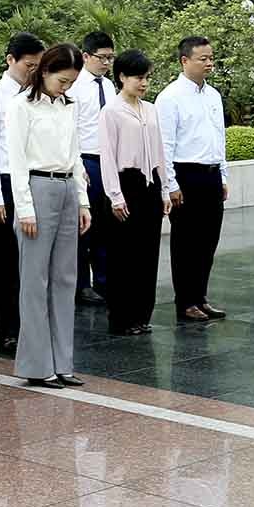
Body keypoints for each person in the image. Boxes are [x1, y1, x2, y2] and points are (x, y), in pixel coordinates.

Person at [6, 43, 93, 389]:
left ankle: (63, 362)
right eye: (62, 81)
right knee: (34, 280)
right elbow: (16, 161)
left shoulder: (68, 106)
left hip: (68, 187)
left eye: (71, 82)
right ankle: (38, 365)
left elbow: (76, 155)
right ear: (44, 72)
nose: (65, 87)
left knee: (65, 278)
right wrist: (24, 208)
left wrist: (83, 201)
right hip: (37, 188)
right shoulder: (21, 106)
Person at [0, 32, 45, 358]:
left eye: (37, 66)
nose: (33, 71)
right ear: (10, 60)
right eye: (29, 65)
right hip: (4, 181)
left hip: (32, 180)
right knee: (7, 259)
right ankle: (7, 328)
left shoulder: (38, 95)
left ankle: (30, 325)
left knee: (32, 258)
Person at [99, 49, 172, 336]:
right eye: (138, 77)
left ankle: (142, 315)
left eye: (146, 78)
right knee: (123, 255)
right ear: (122, 77)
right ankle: (121, 317)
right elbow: (107, 156)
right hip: (125, 183)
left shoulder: (150, 109)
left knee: (147, 253)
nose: (143, 83)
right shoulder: (111, 111)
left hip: (150, 183)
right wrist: (115, 196)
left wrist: (165, 188)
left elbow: (160, 152)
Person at [158, 36, 228, 324]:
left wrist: (223, 174)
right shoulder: (170, 97)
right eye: (203, 58)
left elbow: (219, 138)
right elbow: (165, 145)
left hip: (211, 174)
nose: (209, 63)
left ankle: (200, 297)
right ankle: (185, 301)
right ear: (184, 60)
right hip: (186, 175)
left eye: (211, 58)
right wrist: (171, 184)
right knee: (186, 243)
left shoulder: (213, 95)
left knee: (208, 241)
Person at [73, 32, 117, 309]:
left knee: (105, 224)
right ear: (86, 56)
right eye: (102, 57)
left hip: (108, 161)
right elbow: (71, 128)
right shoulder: (75, 86)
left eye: (110, 58)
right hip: (85, 160)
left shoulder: (109, 86)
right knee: (84, 226)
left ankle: (104, 280)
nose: (106, 63)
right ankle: (81, 285)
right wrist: (78, 165)